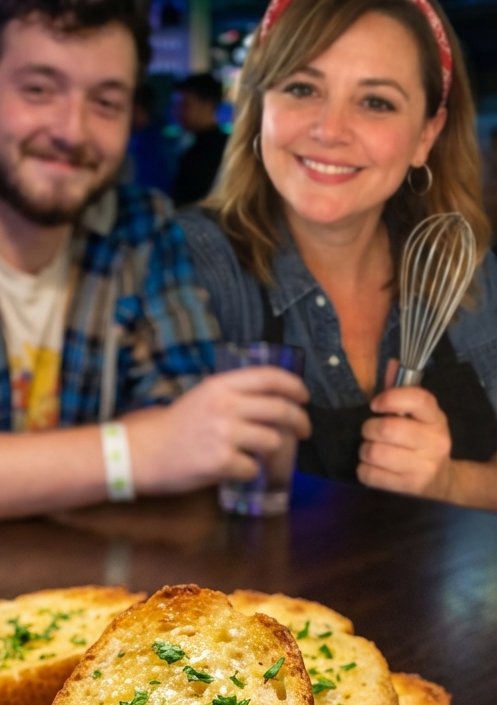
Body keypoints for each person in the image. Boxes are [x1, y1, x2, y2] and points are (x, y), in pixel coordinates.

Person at [0, 0, 309, 527]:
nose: (72, 130)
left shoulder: (145, 231)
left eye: (106, 102)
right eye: (38, 90)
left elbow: (194, 429)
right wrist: (128, 455)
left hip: (97, 595)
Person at [180, 0, 497, 511]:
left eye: (375, 102)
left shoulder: (464, 272)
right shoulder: (191, 264)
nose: (330, 130)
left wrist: (449, 483)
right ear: (260, 107)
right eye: (302, 89)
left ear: (426, 135)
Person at [172, 73, 227, 207]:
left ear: (207, 105)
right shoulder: (201, 147)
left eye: (185, 105)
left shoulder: (214, 152)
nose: (178, 112)